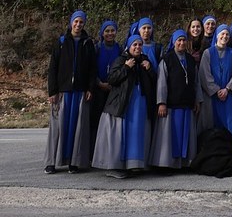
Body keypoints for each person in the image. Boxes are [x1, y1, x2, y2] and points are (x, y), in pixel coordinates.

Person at [92, 34, 156, 178]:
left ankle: (133, 164)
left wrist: (150, 69)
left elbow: (154, 80)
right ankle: (114, 166)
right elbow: (112, 79)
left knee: (135, 135)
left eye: (140, 45)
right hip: (123, 103)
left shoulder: (145, 60)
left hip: (140, 104)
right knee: (120, 135)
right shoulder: (121, 60)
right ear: (129, 46)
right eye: (135, 45)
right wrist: (126, 68)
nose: (138, 47)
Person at [44, 9, 96, 174]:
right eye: (76, 21)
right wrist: (53, 91)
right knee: (57, 128)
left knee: (77, 128)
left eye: (81, 22)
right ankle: (51, 162)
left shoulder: (88, 44)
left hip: (80, 92)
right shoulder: (61, 41)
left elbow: (91, 70)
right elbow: (53, 68)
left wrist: (90, 88)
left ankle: (74, 162)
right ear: (71, 22)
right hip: (62, 92)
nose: (78, 25)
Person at [150, 29, 199, 169]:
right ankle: (168, 164)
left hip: (187, 104)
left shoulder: (190, 60)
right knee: (170, 138)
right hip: (171, 105)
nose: (182, 43)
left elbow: (196, 82)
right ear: (174, 42)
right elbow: (162, 83)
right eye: (179, 40)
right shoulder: (167, 59)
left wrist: (197, 100)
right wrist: (161, 103)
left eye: (184, 40)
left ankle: (185, 163)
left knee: (185, 136)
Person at [199, 24, 232, 147]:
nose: (225, 36)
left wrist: (227, 89)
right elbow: (204, 74)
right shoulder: (208, 53)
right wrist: (216, 90)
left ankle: (230, 156)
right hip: (211, 97)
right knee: (211, 127)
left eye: (227, 34)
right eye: (222, 34)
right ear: (217, 36)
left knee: (230, 127)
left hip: (228, 96)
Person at [90, 20, 122, 148]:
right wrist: (99, 83)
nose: (110, 33)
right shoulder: (96, 48)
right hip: (98, 89)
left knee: (111, 122)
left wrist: (113, 85)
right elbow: (91, 68)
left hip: (113, 90)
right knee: (95, 122)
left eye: (112, 31)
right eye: (107, 31)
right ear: (102, 33)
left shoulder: (119, 49)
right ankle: (93, 152)